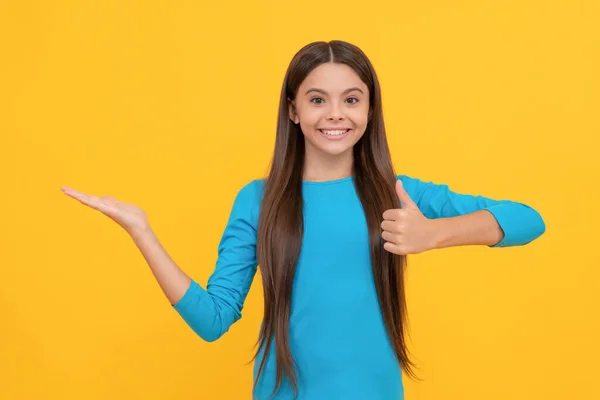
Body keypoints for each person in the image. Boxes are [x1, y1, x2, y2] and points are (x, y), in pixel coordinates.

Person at [61, 40, 546, 400]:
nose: (335, 114)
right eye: (317, 99)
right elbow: (212, 321)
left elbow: (528, 221)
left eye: (351, 99)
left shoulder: (399, 194)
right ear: (293, 110)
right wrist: (141, 231)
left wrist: (434, 234)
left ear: (370, 109)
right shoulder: (258, 201)